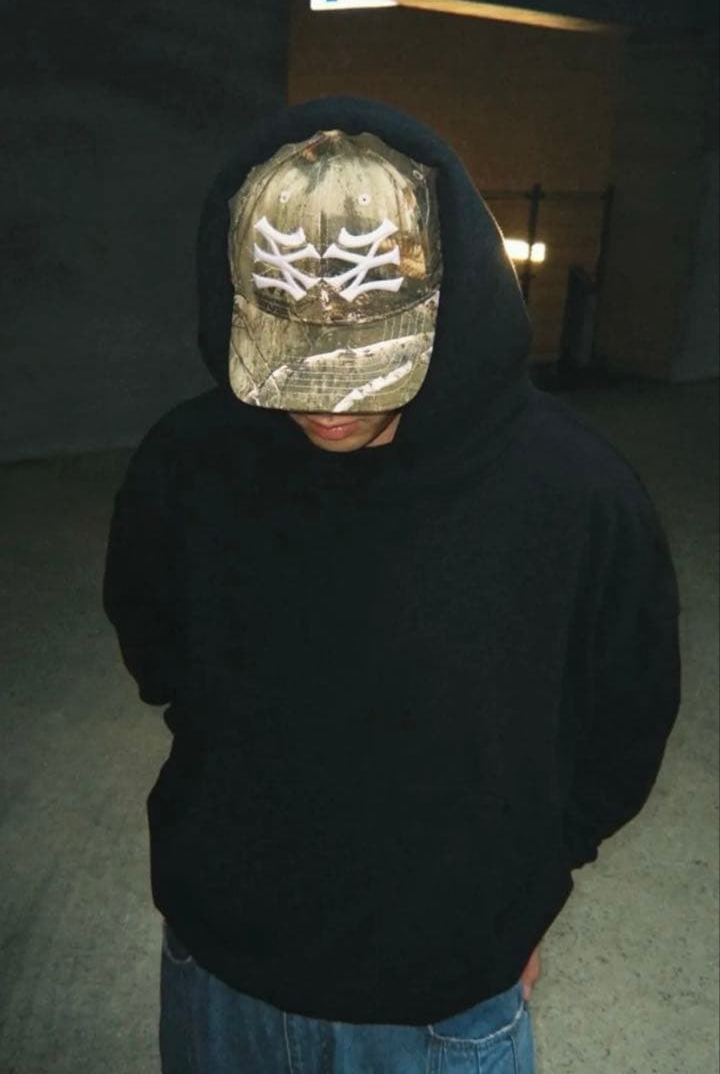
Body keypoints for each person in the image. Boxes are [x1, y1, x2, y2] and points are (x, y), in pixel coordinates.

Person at [103, 97, 681, 1074]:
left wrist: (518, 898)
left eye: (368, 361)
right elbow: (157, 654)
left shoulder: (576, 496)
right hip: (217, 972)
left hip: (439, 1007)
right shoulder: (187, 462)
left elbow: (623, 721)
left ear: (453, 298)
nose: (328, 406)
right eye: (296, 360)